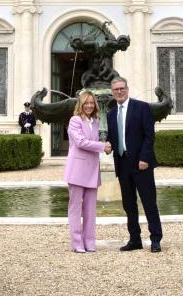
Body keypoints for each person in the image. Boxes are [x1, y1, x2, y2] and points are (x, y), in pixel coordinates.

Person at [106, 77, 162, 252]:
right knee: (128, 204)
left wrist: (145, 158)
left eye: (122, 88)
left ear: (127, 89)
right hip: (122, 164)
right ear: (112, 92)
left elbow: (149, 135)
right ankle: (135, 239)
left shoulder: (142, 107)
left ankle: (155, 239)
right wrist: (108, 145)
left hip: (141, 163)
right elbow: (114, 137)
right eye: (116, 89)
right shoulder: (110, 114)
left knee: (149, 202)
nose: (119, 92)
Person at [63, 90, 112, 253]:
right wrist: (102, 146)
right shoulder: (74, 120)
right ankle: (77, 244)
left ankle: (90, 243)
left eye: (92, 103)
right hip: (77, 171)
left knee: (90, 210)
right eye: (86, 103)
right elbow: (81, 142)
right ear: (81, 104)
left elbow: (92, 142)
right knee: (75, 209)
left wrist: (105, 147)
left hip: (92, 170)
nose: (89, 105)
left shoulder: (96, 121)